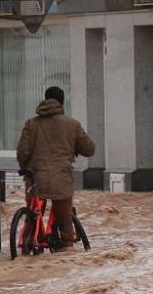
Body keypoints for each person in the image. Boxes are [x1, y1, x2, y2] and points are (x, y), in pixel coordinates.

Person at [17, 86, 96, 251]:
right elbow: (89, 149)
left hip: (35, 178)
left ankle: (29, 239)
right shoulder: (72, 125)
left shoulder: (31, 124)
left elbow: (22, 152)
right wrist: (73, 147)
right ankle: (65, 247)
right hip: (61, 178)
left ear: (45, 99)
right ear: (62, 102)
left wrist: (25, 168)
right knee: (64, 217)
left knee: (34, 212)